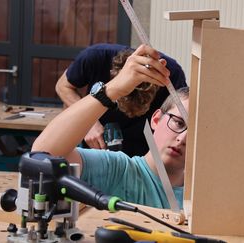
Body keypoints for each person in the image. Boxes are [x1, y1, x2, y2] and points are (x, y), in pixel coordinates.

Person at [33, 45, 189, 209]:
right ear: (156, 119)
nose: (182, 138)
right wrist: (111, 91)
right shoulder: (119, 171)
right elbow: (42, 157)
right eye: (178, 122)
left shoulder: (205, 193)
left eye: (195, 134)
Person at [55, 43, 187, 157]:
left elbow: (184, 114)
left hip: (141, 143)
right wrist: (89, 122)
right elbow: (63, 86)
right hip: (96, 137)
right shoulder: (95, 57)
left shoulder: (170, 75)